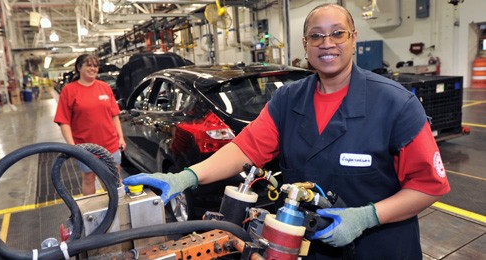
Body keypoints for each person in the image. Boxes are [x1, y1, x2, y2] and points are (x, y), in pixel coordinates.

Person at [123, 3, 449, 259]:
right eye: (317, 36)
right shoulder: (288, 99)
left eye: (338, 33)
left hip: (380, 248)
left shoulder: (395, 103)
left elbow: (429, 186)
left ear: (353, 39)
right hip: (307, 247)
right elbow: (245, 150)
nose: (327, 43)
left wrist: (366, 218)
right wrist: (185, 178)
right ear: (306, 45)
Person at [54, 54, 126, 195]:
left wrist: (121, 137)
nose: (93, 68)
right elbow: (64, 122)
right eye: (89, 65)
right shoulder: (69, 90)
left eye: (95, 65)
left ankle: (116, 208)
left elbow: (114, 115)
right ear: (79, 68)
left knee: (114, 178)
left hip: (110, 143)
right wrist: (72, 147)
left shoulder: (104, 87)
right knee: (88, 178)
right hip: (85, 146)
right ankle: (92, 212)